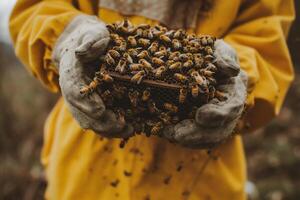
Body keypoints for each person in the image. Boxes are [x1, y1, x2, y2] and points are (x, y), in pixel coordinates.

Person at [9, 0, 295, 199]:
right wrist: (65, 37)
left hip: (201, 181)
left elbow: (266, 38)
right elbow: (35, 8)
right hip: (85, 173)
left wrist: (241, 79)